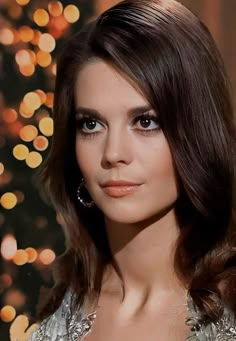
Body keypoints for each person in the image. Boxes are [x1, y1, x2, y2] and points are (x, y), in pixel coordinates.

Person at [10, 0, 236, 340]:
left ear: (196, 130)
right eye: (91, 125)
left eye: (145, 122)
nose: (113, 153)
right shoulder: (63, 303)